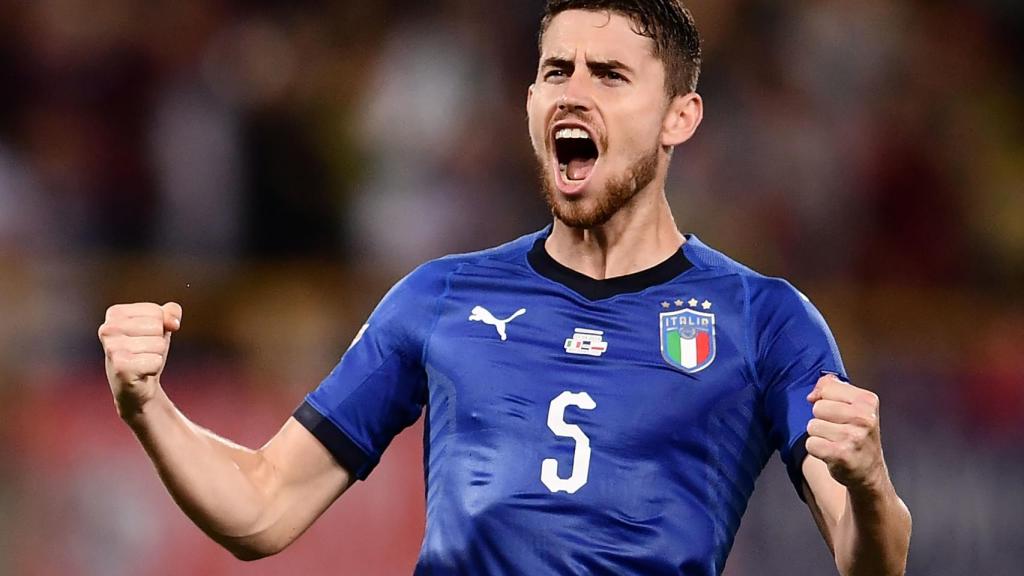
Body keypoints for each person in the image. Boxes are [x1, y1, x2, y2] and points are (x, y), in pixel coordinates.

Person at [97, 1, 911, 574]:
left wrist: (870, 485)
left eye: (611, 75)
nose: (574, 91)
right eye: (557, 69)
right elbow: (262, 510)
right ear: (530, 99)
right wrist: (150, 408)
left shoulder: (761, 319)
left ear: (680, 117)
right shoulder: (439, 298)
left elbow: (868, 558)